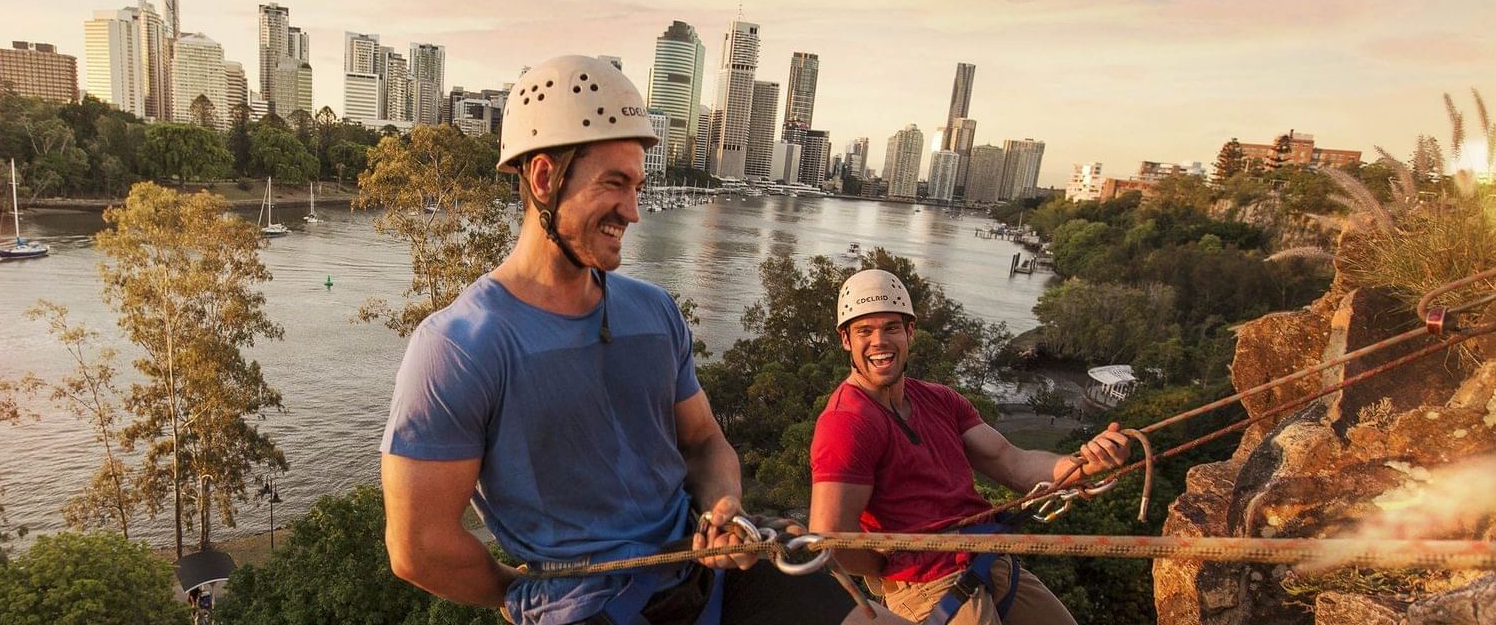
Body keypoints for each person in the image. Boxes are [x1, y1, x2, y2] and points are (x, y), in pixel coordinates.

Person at [382, 55, 848, 625]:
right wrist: (516, 593)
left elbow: (702, 441)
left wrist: (722, 506)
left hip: (707, 577)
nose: (633, 210)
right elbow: (418, 549)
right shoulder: (460, 347)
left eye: (638, 186)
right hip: (588, 607)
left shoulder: (653, 312)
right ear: (545, 178)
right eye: (615, 184)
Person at [808, 269, 1132, 624]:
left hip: (990, 560)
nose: (879, 341)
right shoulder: (847, 422)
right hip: (929, 587)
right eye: (864, 331)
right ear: (845, 340)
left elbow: (1012, 463)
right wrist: (890, 566)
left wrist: (1085, 463)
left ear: (910, 332)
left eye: (891, 328)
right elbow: (831, 539)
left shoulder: (941, 400)